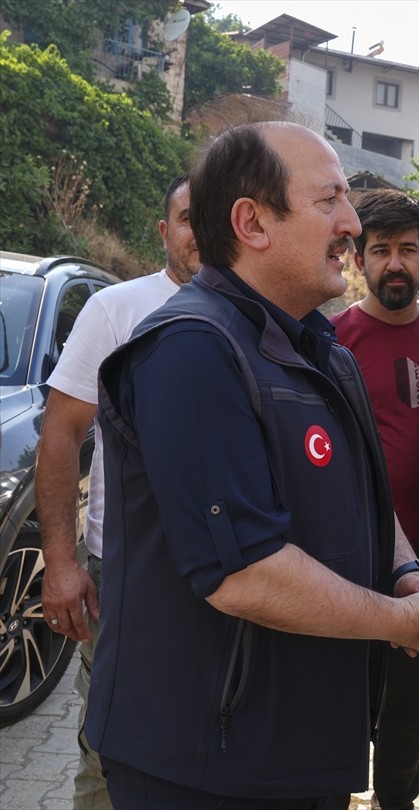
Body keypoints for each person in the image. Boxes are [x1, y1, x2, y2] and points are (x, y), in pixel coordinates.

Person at [85, 121, 419, 809]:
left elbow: (365, 498)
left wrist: (407, 573)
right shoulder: (192, 351)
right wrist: (400, 621)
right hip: (203, 761)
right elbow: (242, 572)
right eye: (329, 199)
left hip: (303, 750)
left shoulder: (321, 349)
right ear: (252, 223)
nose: (351, 224)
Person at [35, 174, 200, 810]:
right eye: (186, 218)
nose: (197, 233)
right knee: (108, 749)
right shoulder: (118, 310)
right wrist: (61, 562)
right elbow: (61, 433)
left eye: (208, 217)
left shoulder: (259, 313)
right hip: (122, 574)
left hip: (232, 572)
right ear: (164, 232)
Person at [329, 189, 419, 810]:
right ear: (359, 258)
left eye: (407, 250)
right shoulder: (329, 344)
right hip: (349, 560)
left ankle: (398, 801)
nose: (395, 264)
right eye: (380, 250)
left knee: (414, 712)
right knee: (345, 704)